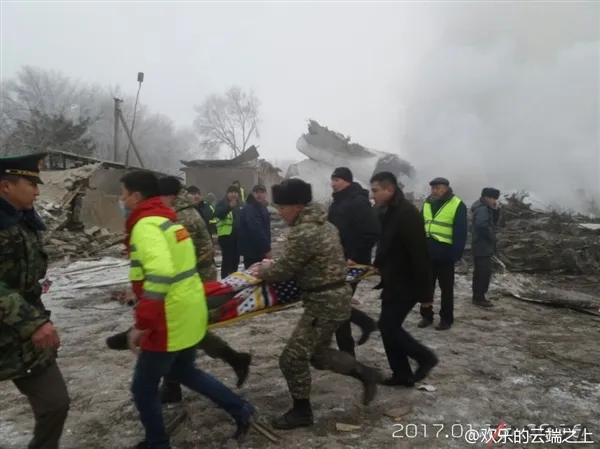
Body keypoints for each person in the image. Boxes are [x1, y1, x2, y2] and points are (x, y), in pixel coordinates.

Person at [119, 170, 255, 449]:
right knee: (185, 371)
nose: (121, 200)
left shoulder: (146, 226)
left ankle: (158, 443)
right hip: (188, 307)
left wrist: (142, 322)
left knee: (143, 388)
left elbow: (160, 273)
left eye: (122, 194)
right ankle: (241, 409)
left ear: (135, 196)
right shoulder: (168, 221)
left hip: (168, 317)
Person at [250, 178, 381, 430]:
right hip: (334, 297)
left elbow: (285, 269)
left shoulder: (303, 232)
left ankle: (302, 412)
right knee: (318, 355)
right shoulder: (325, 225)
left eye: (283, 207)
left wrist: (261, 272)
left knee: (291, 358)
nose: (280, 212)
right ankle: (366, 374)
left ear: (297, 206)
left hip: (324, 302)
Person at [157, 176, 252, 404]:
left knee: (179, 330)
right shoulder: (181, 211)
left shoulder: (181, 216)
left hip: (195, 278)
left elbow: (180, 254)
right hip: (192, 277)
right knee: (187, 329)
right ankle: (234, 359)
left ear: (169, 195)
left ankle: (175, 383)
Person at [0, 153, 70, 449]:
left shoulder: (25, 222)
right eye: (30, 184)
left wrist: (40, 322)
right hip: (22, 324)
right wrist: (33, 322)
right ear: (6, 186)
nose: (38, 191)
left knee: (55, 403)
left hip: (21, 334)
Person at [369, 171, 438, 387]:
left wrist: (427, 296)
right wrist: (377, 265)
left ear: (389, 189)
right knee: (388, 327)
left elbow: (420, 256)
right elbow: (386, 244)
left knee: (388, 326)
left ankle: (425, 357)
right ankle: (401, 374)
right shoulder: (387, 211)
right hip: (393, 279)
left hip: (406, 282)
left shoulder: (407, 214)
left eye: (375, 191)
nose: (373, 196)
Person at [327, 167, 379, 357]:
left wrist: (355, 257)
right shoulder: (337, 203)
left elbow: (372, 232)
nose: (333, 183)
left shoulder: (358, 202)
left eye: (338, 180)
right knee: (336, 304)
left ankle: (347, 353)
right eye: (332, 179)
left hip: (353, 264)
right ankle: (363, 327)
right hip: (337, 262)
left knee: (337, 305)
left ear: (347, 181)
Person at [419, 177, 468, 331]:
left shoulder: (457, 204)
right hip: (427, 253)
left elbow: (461, 232)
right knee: (426, 286)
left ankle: (446, 319)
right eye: (432, 188)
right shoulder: (427, 203)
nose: (434, 191)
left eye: (438, 188)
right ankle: (426, 316)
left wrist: (455, 255)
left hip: (446, 255)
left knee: (446, 289)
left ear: (446, 188)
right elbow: (421, 226)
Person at [471, 187, 501, 308]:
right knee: (484, 272)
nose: (494, 200)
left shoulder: (484, 207)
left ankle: (477, 295)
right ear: (487, 197)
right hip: (482, 245)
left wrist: (496, 209)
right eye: (493, 198)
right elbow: (482, 225)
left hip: (480, 245)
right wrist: (492, 237)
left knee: (479, 272)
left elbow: (493, 220)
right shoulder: (483, 209)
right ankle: (479, 297)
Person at [239, 184, 272, 268]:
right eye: (257, 192)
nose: (259, 194)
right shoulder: (250, 208)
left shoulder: (261, 207)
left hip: (259, 250)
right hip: (253, 252)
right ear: (253, 194)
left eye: (262, 192)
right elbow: (256, 230)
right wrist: (266, 249)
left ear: (265, 194)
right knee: (254, 277)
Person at [214, 185, 243, 278]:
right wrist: (228, 207)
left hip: (237, 237)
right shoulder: (222, 203)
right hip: (226, 237)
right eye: (231, 192)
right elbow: (218, 214)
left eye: (236, 192)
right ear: (227, 194)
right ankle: (225, 280)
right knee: (227, 260)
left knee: (236, 260)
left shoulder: (240, 205)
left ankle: (233, 279)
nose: (234, 194)